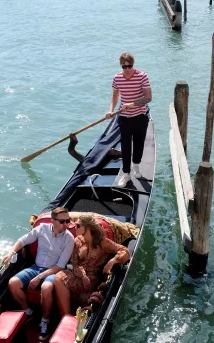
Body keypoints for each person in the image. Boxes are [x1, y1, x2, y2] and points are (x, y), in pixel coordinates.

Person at [1, 207, 74, 340]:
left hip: (54, 271)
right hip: (36, 267)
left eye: (67, 221)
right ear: (53, 221)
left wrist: (39, 277)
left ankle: (44, 321)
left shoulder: (69, 238)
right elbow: (23, 240)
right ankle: (28, 312)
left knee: (46, 287)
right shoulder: (42, 228)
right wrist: (11, 252)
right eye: (62, 221)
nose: (66, 224)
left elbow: (60, 266)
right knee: (13, 283)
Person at [53, 215, 129, 320]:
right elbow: (74, 263)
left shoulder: (102, 242)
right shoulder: (77, 241)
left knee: (90, 297)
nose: (75, 227)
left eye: (78, 225)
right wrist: (83, 276)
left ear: (87, 228)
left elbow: (125, 251)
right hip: (79, 275)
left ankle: (83, 315)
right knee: (59, 277)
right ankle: (66, 318)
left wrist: (112, 261)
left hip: (94, 278)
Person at [106, 52, 151, 187]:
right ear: (121, 65)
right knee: (125, 146)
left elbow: (148, 98)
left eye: (129, 66)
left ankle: (136, 165)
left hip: (140, 116)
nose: (127, 69)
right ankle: (126, 173)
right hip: (124, 118)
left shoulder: (142, 76)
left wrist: (131, 104)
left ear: (133, 64)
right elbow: (115, 96)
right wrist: (111, 110)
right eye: (124, 67)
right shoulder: (117, 78)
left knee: (139, 143)